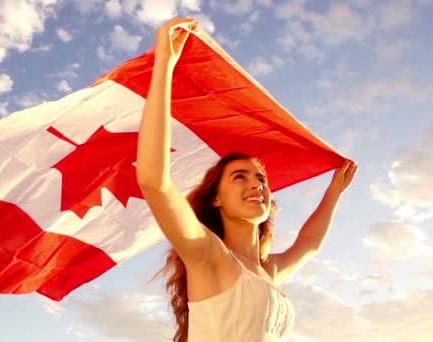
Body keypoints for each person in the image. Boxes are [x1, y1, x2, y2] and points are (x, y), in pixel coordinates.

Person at [136, 17, 358, 342]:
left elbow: (308, 245)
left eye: (261, 179)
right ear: (216, 198)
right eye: (240, 177)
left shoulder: (267, 272)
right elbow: (154, 182)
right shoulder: (207, 254)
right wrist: (165, 65)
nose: (257, 185)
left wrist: (334, 191)